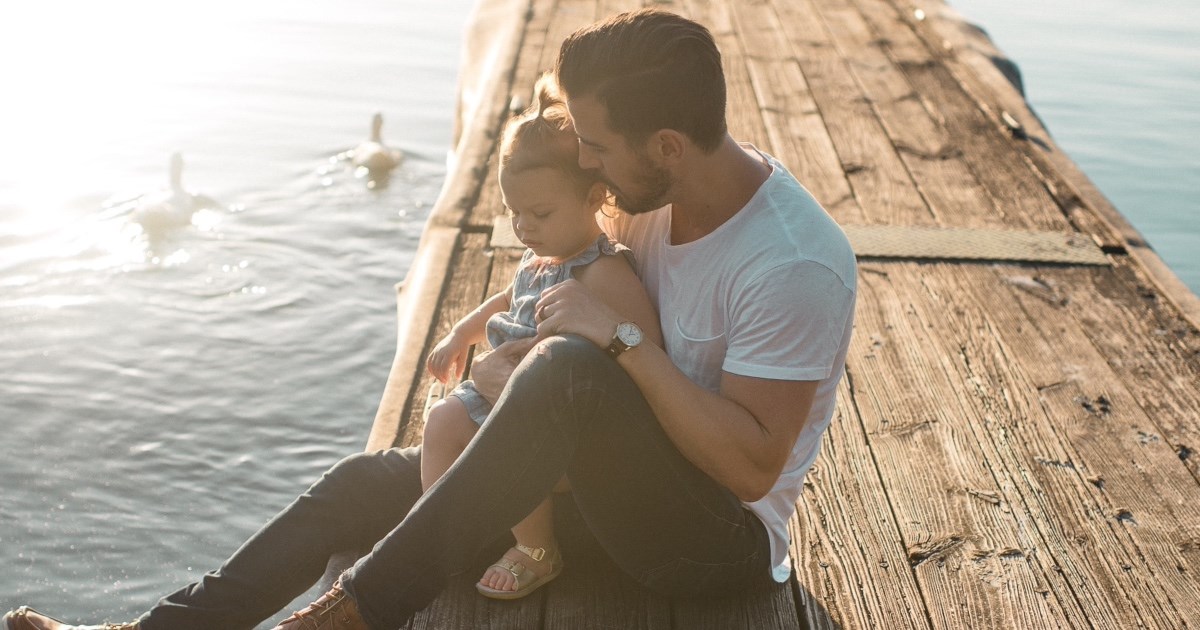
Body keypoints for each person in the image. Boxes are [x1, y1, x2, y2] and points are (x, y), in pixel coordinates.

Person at [3, 8, 856, 630]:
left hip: (706, 541)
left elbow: (749, 469)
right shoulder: (644, 197)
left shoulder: (793, 262)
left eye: (596, 145)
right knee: (358, 485)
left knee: (567, 372)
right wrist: (511, 355)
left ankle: (351, 616)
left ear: (666, 145)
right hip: (591, 485)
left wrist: (620, 344)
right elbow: (561, 290)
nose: (584, 161)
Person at [420, 74, 661, 600]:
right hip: (501, 386)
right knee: (439, 421)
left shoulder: (602, 272)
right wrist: (462, 333)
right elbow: (507, 300)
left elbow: (644, 347)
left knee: (511, 448)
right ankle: (441, 532)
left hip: (554, 415)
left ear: (595, 196)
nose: (524, 227)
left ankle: (537, 547)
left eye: (540, 213)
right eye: (514, 214)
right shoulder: (541, 255)